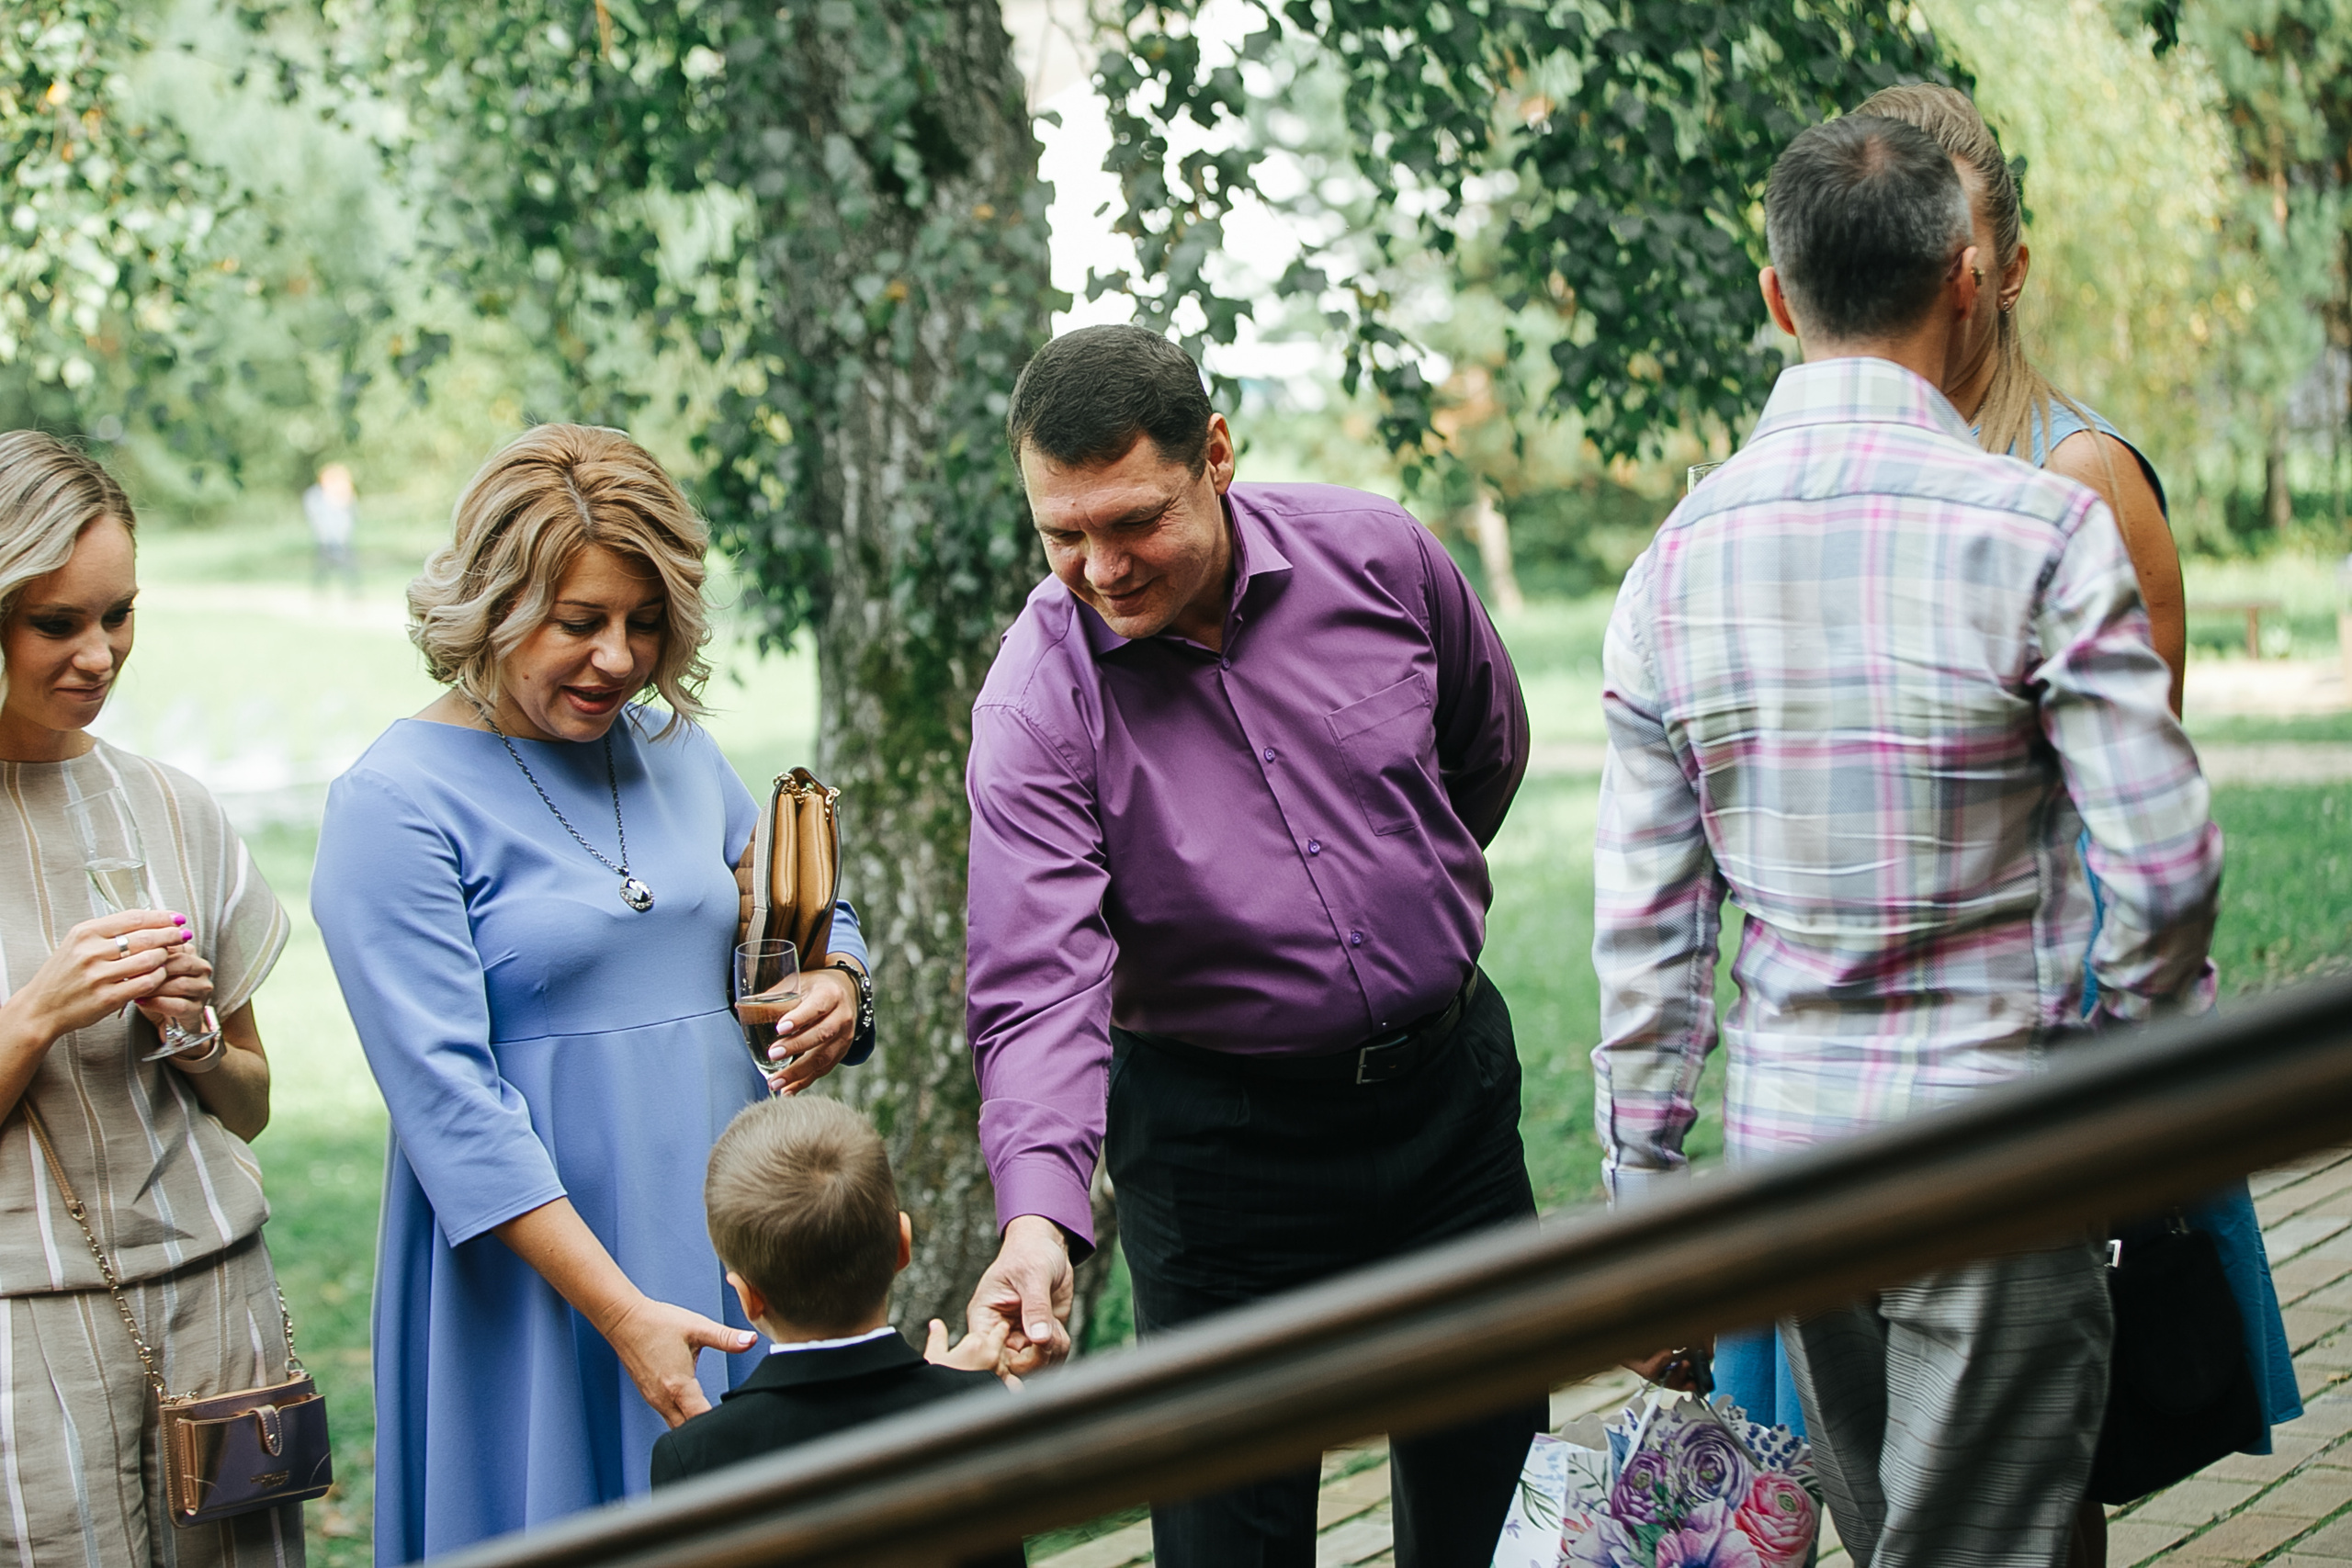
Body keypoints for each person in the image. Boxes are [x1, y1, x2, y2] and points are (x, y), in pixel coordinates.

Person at [1591, 117, 2222, 1568]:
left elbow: (1651, 947)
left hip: (1798, 1166)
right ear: (1965, 276)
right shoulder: (2041, 530)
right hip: (2004, 1146)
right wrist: (2116, 1052)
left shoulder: (1669, 568)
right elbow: (2169, 859)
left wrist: (1647, 1205)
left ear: (1776, 296)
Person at [961, 323, 1544, 1568]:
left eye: (1132, 521)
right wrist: (1039, 1224)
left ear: (1214, 454)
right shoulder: (1037, 697)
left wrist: (1400, 908)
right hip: (1223, 1151)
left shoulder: (1379, 555)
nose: (1101, 568)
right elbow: (1038, 984)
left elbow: (1482, 748)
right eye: (1062, 533)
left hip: (1450, 1111)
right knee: (1232, 1530)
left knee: (1490, 1488)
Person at [311, 423, 879, 1562]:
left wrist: (838, 980)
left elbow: (801, 916)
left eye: (645, 623)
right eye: (580, 624)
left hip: (729, 1239)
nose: (618, 660)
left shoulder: (677, 753)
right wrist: (620, 1313)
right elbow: (449, 1108)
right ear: (492, 604)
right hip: (539, 1272)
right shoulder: (393, 803)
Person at [0, 431, 302, 1565]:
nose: (100, 653)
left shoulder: (174, 809)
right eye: (57, 622)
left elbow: (254, 1101)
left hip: (218, 1305)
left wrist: (194, 1035)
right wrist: (38, 1012)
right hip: (27, 1334)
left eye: (119, 613)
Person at [652, 1097, 1023, 1567]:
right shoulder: (980, 1409)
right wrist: (955, 1390)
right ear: (902, 1245)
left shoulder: (693, 1460)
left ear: (748, 1298)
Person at [303, 461, 360, 594]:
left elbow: (351, 516)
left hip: (343, 540)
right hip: (324, 540)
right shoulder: (316, 496)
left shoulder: (343, 496)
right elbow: (315, 517)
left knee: (349, 571)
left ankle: (354, 596)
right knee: (322, 572)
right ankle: (320, 597)